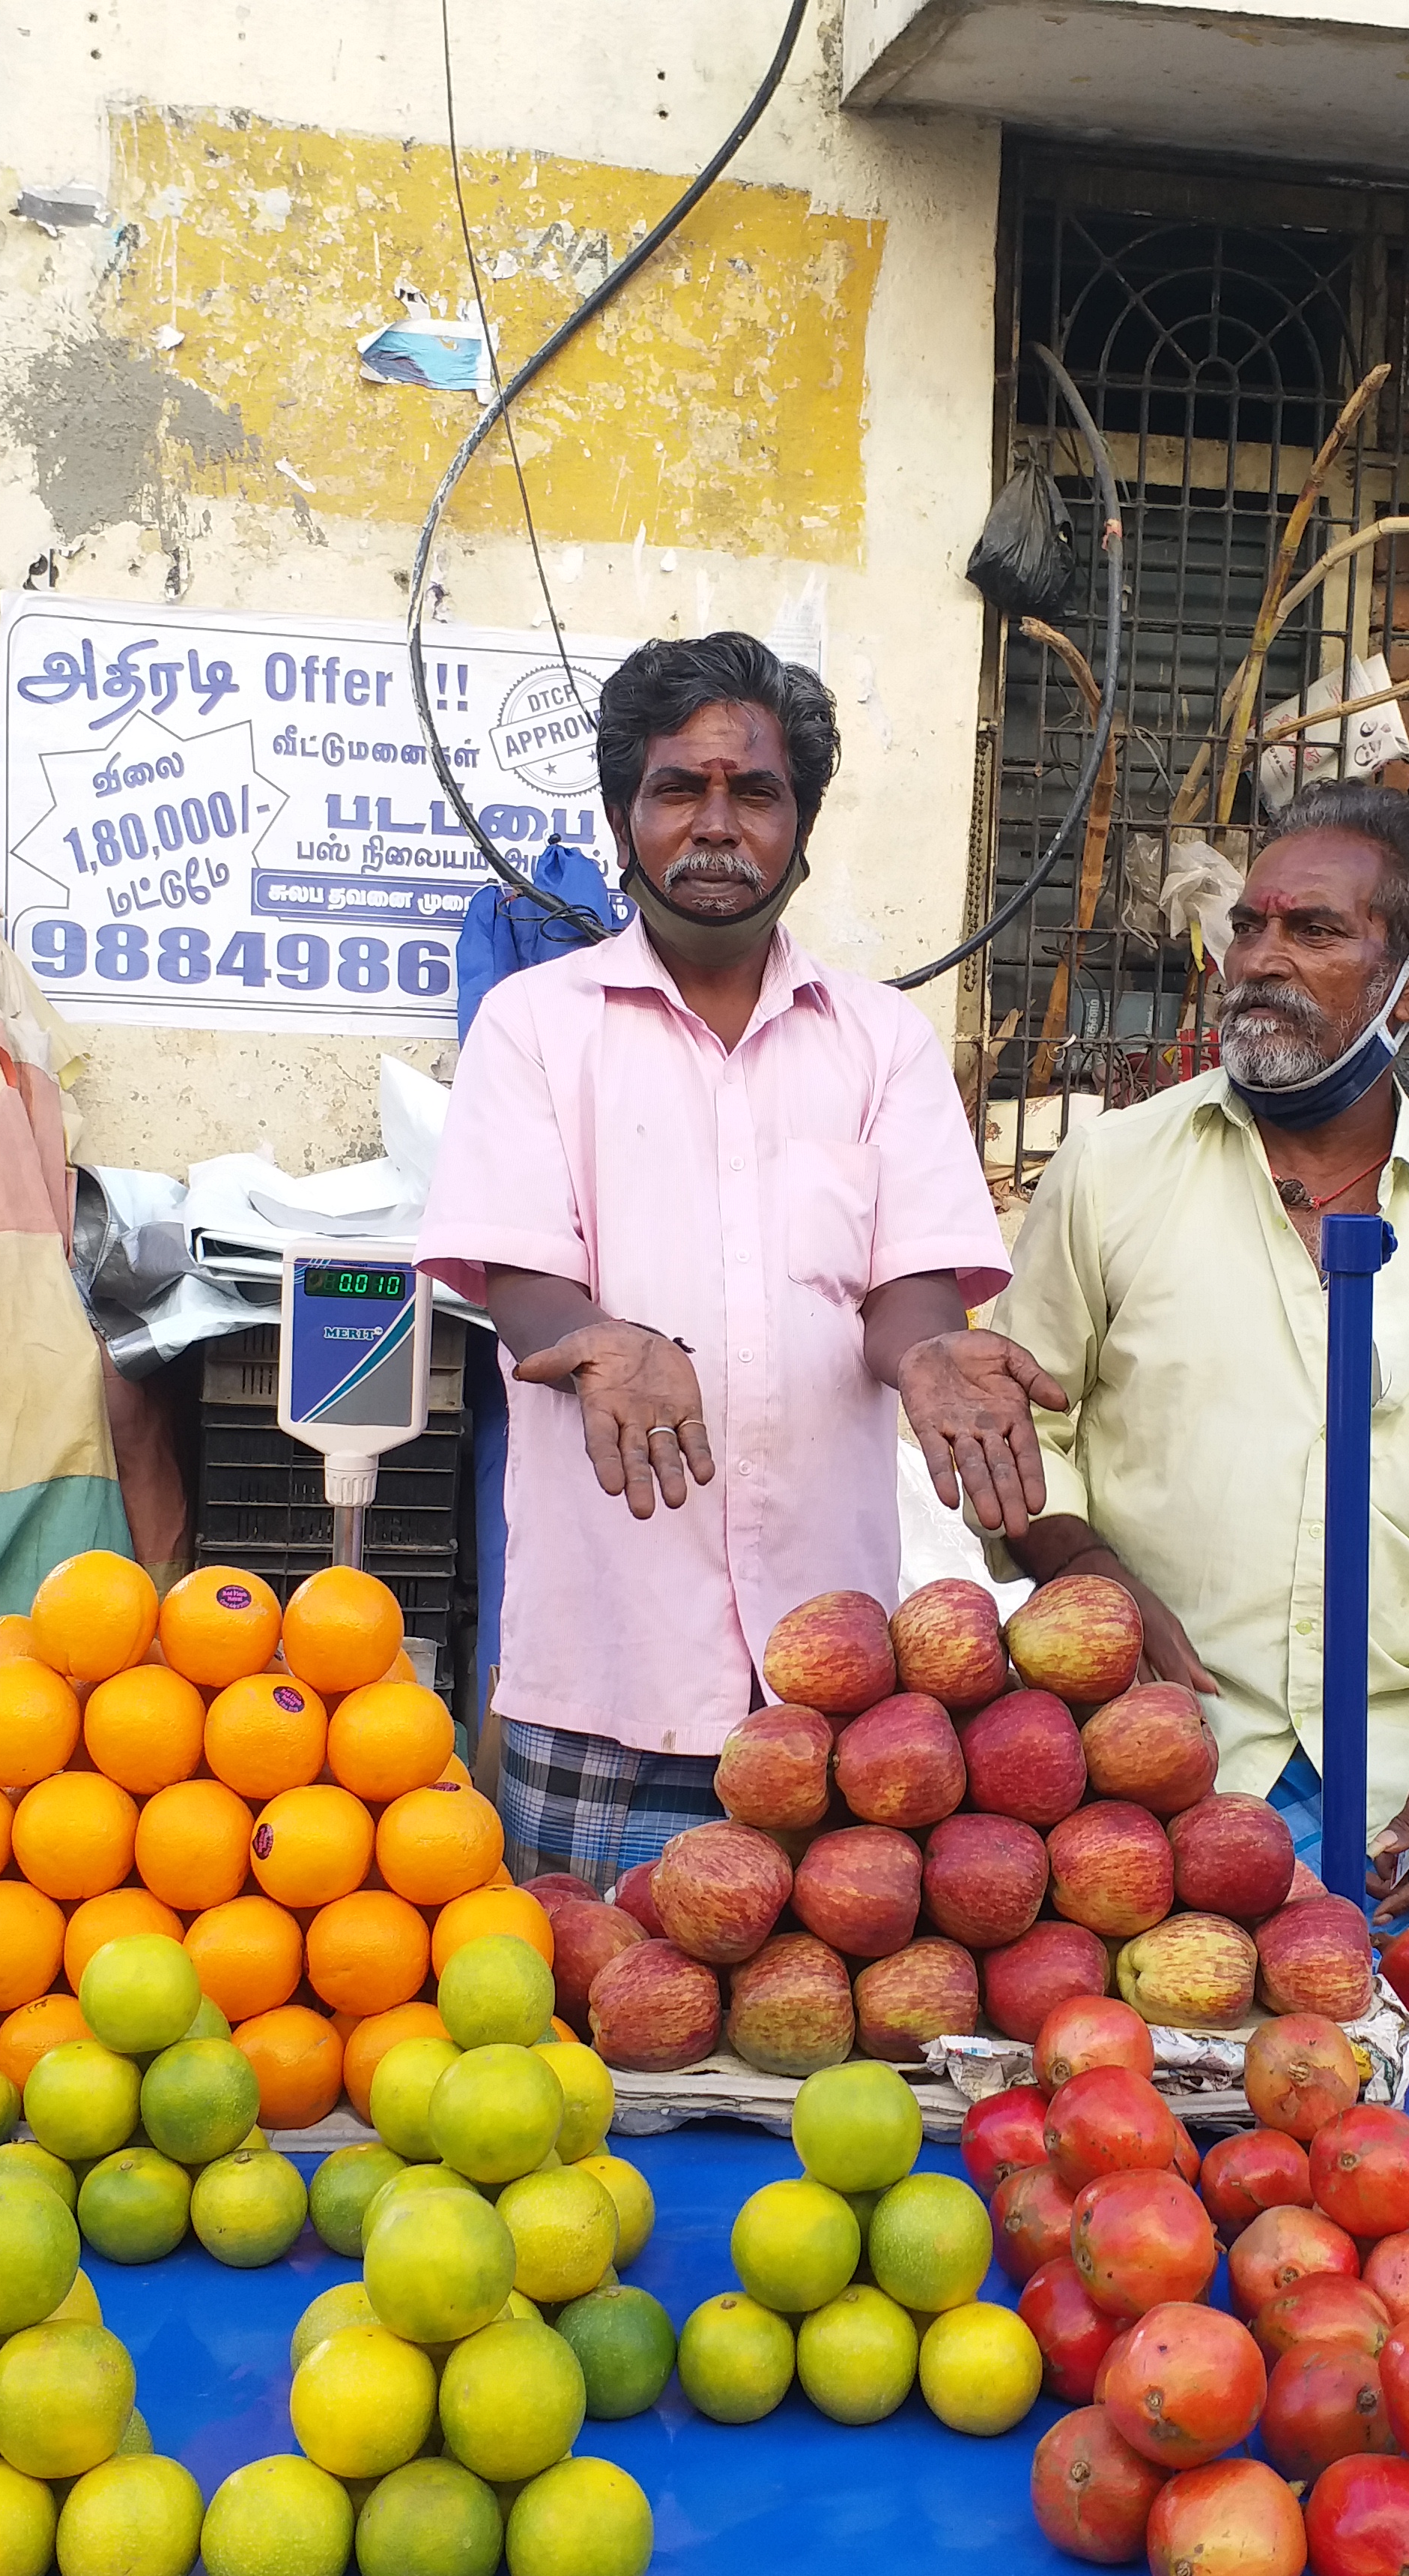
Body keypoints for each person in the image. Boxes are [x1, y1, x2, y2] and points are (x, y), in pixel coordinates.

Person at [416, 632, 1060, 1886]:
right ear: (622, 817)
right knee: (593, 2049)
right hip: (607, 1673)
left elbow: (907, 1288)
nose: (715, 824)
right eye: (677, 789)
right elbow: (516, 1273)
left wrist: (932, 1355)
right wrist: (603, 1342)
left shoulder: (878, 1042)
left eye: (753, 792)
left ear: (800, 830)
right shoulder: (535, 1028)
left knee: (823, 2056)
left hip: (835, 1689)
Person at [986, 780, 1409, 1938]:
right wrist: (1085, 1569)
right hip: (1156, 1763)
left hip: (1403, 1780)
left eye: (1312, 931)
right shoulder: (1113, 1171)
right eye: (1250, 924)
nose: (1255, 959)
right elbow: (1026, 1422)